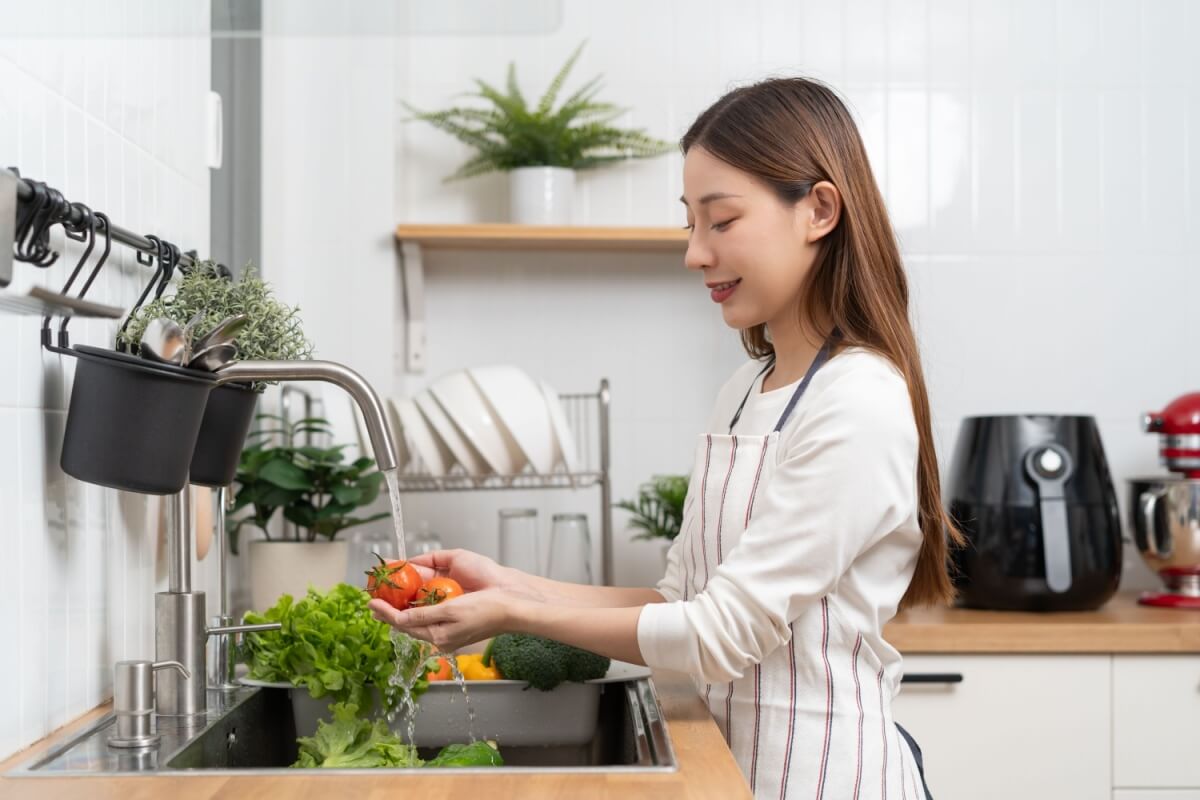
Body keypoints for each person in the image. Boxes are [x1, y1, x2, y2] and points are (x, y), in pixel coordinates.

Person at [370, 77, 960, 799]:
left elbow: (716, 638)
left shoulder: (859, 401)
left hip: (825, 777)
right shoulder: (743, 394)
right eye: (691, 224)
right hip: (731, 771)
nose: (696, 253)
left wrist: (514, 615)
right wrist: (508, 582)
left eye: (722, 220)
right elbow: (678, 599)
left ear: (820, 210)